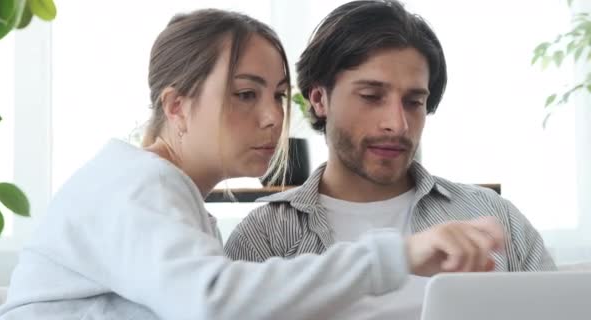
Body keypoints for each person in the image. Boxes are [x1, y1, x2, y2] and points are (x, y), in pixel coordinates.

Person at [0, 8, 505, 320]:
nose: (270, 118)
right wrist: (396, 257)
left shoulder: (172, 202)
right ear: (176, 106)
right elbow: (214, 304)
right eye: (244, 94)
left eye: (279, 96)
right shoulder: (134, 185)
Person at [225, 1, 556, 319]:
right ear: (319, 99)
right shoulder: (264, 237)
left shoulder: (494, 216)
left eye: (413, 102)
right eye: (371, 96)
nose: (397, 124)